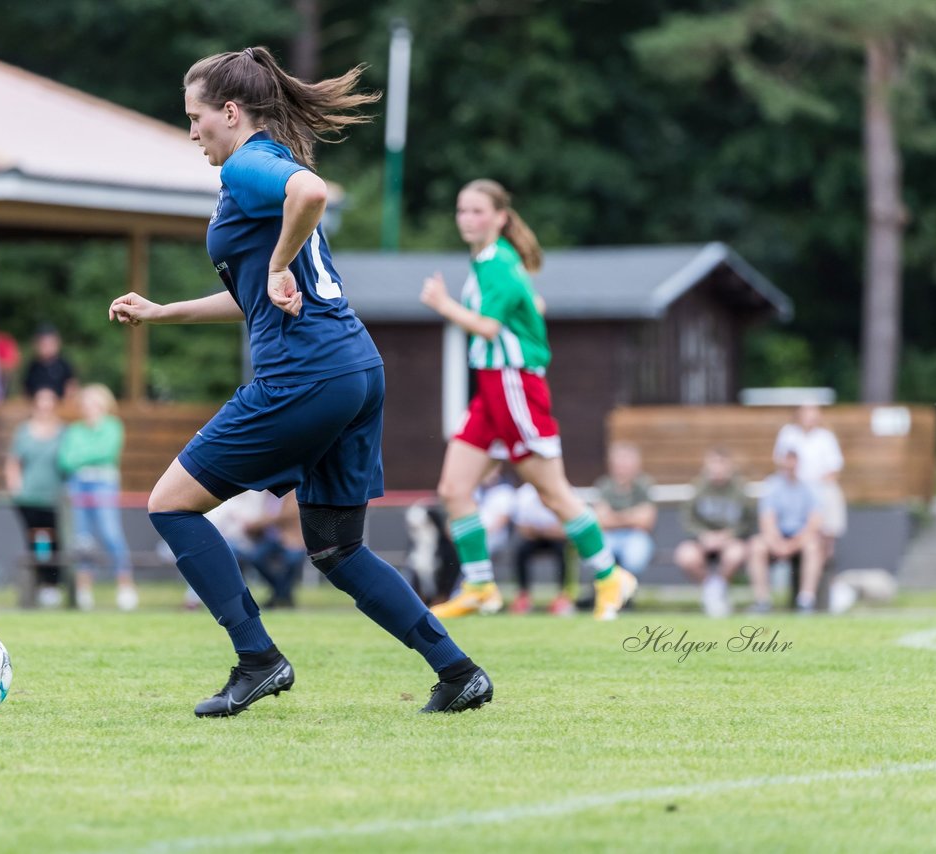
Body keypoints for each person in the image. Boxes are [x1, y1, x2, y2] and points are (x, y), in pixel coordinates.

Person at [108, 45, 490, 716]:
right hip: (354, 368)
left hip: (305, 373)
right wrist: (167, 311)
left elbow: (309, 197)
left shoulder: (251, 164)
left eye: (195, 116)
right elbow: (258, 292)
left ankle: (257, 660)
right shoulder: (263, 167)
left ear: (230, 112)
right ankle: (458, 672)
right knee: (338, 549)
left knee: (170, 503)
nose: (191, 130)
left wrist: (280, 262)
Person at [419, 178, 635, 621]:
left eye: (478, 211)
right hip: (491, 389)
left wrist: (442, 304)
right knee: (454, 490)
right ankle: (480, 586)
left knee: (553, 493)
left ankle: (610, 575)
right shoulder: (490, 261)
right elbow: (530, 304)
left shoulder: (497, 261)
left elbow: (488, 327)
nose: (468, 218)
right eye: (462, 210)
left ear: (500, 217)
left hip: (514, 385)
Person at [58, 383, 138, 611]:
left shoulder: (113, 426)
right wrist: (87, 457)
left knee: (111, 533)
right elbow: (65, 460)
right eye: (86, 404)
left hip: (104, 483)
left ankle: (125, 587)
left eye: (95, 403)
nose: (90, 408)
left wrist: (82, 456)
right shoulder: (74, 430)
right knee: (82, 538)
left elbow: (106, 452)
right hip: (77, 484)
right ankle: (84, 592)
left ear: (104, 405)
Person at [674, 447, 753, 618]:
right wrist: (703, 536)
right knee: (685, 555)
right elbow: (687, 521)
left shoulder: (739, 490)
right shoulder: (698, 489)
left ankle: (715, 591)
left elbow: (748, 522)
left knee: (736, 554)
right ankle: (713, 590)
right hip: (703, 541)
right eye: (714, 464)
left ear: (729, 466)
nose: (718, 469)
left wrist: (729, 535)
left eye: (722, 464)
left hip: (729, 541)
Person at [5, 388, 66, 607]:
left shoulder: (63, 432)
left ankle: (52, 585)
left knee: (54, 542)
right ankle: (34, 584)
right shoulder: (23, 431)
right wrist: (15, 486)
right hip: (28, 497)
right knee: (32, 541)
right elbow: (14, 461)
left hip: (54, 498)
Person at [747, 447, 824, 614]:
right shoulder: (772, 486)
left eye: (793, 460)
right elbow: (767, 520)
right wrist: (778, 543)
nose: (790, 465)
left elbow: (814, 523)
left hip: (800, 539)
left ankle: (806, 600)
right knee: (756, 546)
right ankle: (762, 600)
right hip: (777, 538)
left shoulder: (808, 488)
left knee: (814, 546)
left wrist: (793, 544)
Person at [774, 403, 845, 560]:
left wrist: (814, 490)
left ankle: (826, 563)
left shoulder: (826, 436)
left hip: (819, 489)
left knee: (830, 500)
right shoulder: (788, 433)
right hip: (794, 489)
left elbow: (834, 469)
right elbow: (781, 462)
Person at [591, 442, 658, 599]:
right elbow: (601, 521)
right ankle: (603, 592)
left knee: (635, 556)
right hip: (611, 535)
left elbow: (647, 521)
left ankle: (625, 596)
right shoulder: (604, 485)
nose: (623, 466)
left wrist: (615, 516)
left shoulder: (643, 485)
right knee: (599, 552)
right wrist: (632, 516)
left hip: (635, 535)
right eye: (619, 461)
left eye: (627, 461)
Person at [510, 482, 574, 616]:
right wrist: (548, 530)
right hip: (534, 539)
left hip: (556, 540)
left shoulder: (563, 490)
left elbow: (566, 530)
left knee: (563, 552)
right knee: (521, 551)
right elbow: (523, 530)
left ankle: (563, 596)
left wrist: (542, 531)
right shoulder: (524, 493)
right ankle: (523, 595)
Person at [238, 491, 307, 608]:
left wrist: (259, 523)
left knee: (292, 560)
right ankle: (281, 594)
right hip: (270, 538)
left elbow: (288, 514)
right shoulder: (268, 494)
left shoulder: (293, 492)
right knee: (256, 557)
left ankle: (279, 596)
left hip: (292, 539)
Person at [24, 324, 76, 399]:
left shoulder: (63, 364)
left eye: (50, 344)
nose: (47, 348)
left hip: (60, 405)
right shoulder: (33, 366)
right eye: (43, 344)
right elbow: (26, 390)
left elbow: (71, 387)